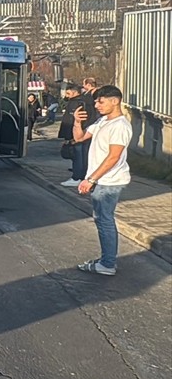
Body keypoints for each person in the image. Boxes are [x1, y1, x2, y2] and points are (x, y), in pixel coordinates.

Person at [70, 85, 132, 275]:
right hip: (101, 180)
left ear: (115, 101)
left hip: (109, 181)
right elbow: (79, 138)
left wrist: (91, 179)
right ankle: (107, 260)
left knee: (104, 220)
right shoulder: (103, 121)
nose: (96, 104)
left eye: (100, 101)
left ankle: (107, 264)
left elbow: (114, 157)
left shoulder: (120, 125)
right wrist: (76, 123)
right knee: (102, 219)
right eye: (96, 101)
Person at [57, 82, 98, 187]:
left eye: (68, 93)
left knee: (78, 156)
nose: (66, 96)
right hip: (85, 132)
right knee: (82, 156)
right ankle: (81, 176)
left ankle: (77, 177)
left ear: (75, 92)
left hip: (79, 133)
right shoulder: (85, 101)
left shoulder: (77, 103)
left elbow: (70, 120)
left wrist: (69, 136)